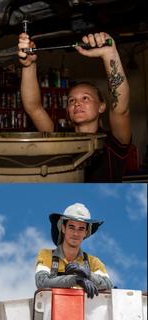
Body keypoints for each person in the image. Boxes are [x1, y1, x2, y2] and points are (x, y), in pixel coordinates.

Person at [18, 32, 131, 182]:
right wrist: (29, 65)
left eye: (85, 98)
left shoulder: (113, 143)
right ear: (67, 111)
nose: (77, 103)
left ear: (101, 106)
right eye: (71, 101)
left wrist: (110, 54)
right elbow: (34, 108)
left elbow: (121, 109)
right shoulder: (58, 139)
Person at [35, 203, 113, 298]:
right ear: (63, 228)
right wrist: (77, 279)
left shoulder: (93, 262)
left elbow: (108, 284)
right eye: (71, 227)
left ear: (86, 232)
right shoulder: (47, 255)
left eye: (81, 229)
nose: (76, 233)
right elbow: (41, 282)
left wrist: (87, 273)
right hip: (52, 311)